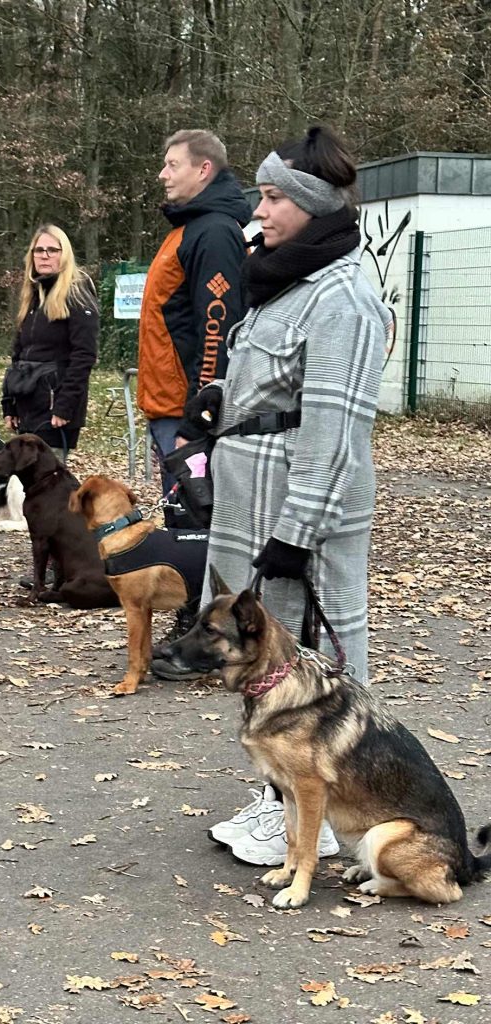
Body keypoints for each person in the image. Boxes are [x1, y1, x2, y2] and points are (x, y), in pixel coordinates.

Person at [171, 126, 392, 866]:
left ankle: (318, 819)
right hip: (253, 502)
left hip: (300, 512)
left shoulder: (344, 297)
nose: (257, 211)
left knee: (311, 668)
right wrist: (220, 397)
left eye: (271, 197)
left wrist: (298, 533)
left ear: (311, 203)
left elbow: (335, 430)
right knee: (267, 663)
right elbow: (274, 383)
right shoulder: (288, 280)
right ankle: (279, 798)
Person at [137, 129, 252, 517]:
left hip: (185, 414)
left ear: (203, 169)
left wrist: (197, 420)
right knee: (180, 520)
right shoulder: (187, 229)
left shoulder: (214, 233)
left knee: (194, 525)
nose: (162, 174)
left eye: (172, 165)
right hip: (167, 408)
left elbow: (218, 329)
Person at [2, 224, 98, 463]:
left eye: (52, 250)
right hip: (27, 402)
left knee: (47, 478)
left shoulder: (77, 295)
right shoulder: (32, 296)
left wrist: (65, 405)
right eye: (39, 250)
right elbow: (18, 354)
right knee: (24, 478)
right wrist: (9, 403)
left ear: (64, 254)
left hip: (55, 407)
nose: (44, 255)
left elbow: (84, 356)